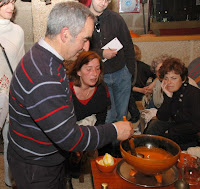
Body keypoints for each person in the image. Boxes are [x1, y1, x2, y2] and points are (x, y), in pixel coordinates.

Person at [7, 2, 133, 189]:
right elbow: (70, 138)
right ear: (65, 34)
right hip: (37, 167)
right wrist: (115, 130)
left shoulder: (43, 55)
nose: (86, 46)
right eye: (84, 39)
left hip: (42, 157)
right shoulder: (44, 76)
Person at [65, 50, 111, 188]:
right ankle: (66, 178)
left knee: (110, 142)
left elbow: (101, 119)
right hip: (68, 127)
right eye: (89, 69)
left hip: (88, 126)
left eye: (97, 69)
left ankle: (106, 177)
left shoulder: (102, 89)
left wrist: (90, 140)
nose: (94, 73)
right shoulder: (66, 88)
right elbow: (60, 122)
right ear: (78, 71)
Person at [89, 0, 135, 123]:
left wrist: (130, 72)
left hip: (121, 73)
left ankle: (120, 142)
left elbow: (128, 46)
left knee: (122, 115)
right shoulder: (82, 19)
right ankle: (109, 142)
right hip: (99, 76)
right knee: (108, 117)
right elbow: (79, 49)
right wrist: (101, 53)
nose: (103, 3)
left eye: (107, 0)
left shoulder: (116, 19)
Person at [144, 57, 200, 150]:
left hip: (190, 133)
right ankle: (145, 149)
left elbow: (196, 125)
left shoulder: (194, 94)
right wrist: (168, 97)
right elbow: (162, 117)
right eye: (166, 78)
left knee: (163, 141)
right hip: (176, 125)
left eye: (174, 78)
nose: (169, 82)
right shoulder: (171, 92)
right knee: (154, 125)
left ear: (183, 79)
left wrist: (170, 131)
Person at [0, 0, 25, 187]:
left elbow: (21, 64)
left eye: (13, 2)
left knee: (11, 139)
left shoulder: (18, 31)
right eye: (5, 3)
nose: (11, 7)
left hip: (11, 93)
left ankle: (10, 180)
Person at [128, 44, 155, 123]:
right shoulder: (122, 67)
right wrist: (139, 89)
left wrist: (151, 86)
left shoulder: (143, 67)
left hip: (138, 94)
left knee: (126, 93)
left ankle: (135, 116)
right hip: (134, 91)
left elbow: (158, 76)